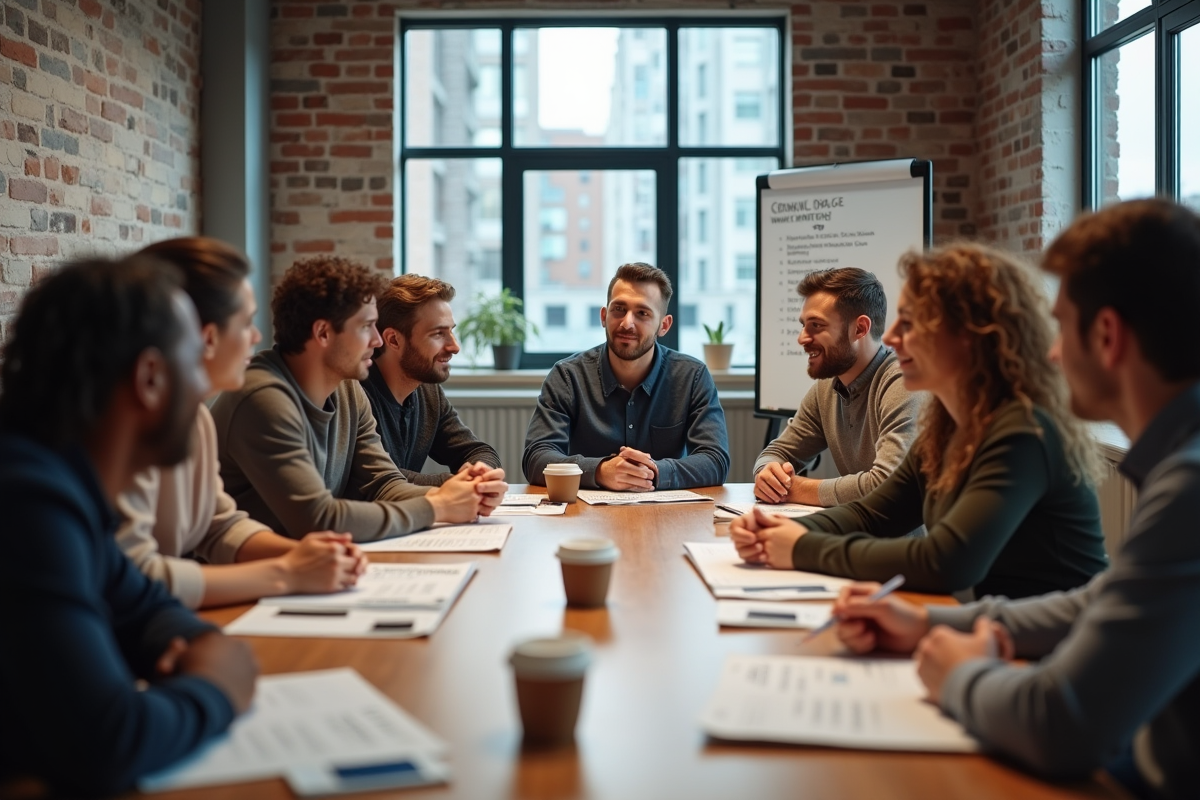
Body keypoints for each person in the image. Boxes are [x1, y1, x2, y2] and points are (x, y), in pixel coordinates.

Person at [832, 199, 1200, 800]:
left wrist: (959, 673)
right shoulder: (1180, 465)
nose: (1052, 352)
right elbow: (1095, 601)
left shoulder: (1188, 484)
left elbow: (1060, 725)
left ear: (1107, 336)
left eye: (1062, 327)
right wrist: (927, 622)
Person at [0, 256, 257, 794]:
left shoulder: (66, 484)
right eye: (194, 361)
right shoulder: (27, 499)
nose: (203, 383)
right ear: (150, 379)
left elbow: (143, 606)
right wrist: (219, 685)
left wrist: (196, 641)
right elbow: (107, 742)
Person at [731, 243, 1107, 599]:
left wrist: (801, 547)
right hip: (996, 627)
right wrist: (780, 529)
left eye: (910, 323)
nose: (892, 336)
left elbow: (944, 562)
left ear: (969, 335)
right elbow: (873, 514)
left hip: (1060, 640)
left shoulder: (1023, 430)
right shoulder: (948, 425)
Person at [116, 238, 367, 609]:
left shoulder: (195, 418)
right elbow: (128, 576)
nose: (257, 336)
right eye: (246, 322)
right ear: (207, 338)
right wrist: (287, 573)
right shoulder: (121, 432)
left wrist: (306, 556)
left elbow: (219, 524)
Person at [210, 256, 508, 542]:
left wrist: (464, 494)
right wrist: (438, 505)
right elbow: (318, 519)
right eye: (366, 327)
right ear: (323, 333)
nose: (377, 341)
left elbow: (384, 484)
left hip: (315, 562)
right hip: (247, 570)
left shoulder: (348, 389)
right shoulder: (263, 399)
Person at [522, 262, 730, 491]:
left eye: (642, 313)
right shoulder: (568, 376)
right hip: (584, 512)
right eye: (619, 309)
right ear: (604, 316)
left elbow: (715, 460)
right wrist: (599, 471)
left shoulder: (692, 377)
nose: (627, 323)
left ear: (664, 325)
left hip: (666, 511)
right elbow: (536, 457)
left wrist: (654, 471)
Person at [754, 267, 921, 506]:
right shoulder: (826, 388)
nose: (802, 338)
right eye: (803, 325)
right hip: (861, 525)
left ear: (860, 329)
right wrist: (767, 473)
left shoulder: (905, 382)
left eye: (816, 325)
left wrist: (794, 489)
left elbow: (889, 486)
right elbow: (779, 452)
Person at [361, 274, 502, 485]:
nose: (455, 347)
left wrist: (481, 473)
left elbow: (475, 450)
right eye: (438, 334)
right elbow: (374, 477)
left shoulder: (427, 390)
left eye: (451, 331)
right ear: (393, 340)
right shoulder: (356, 394)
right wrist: (457, 484)